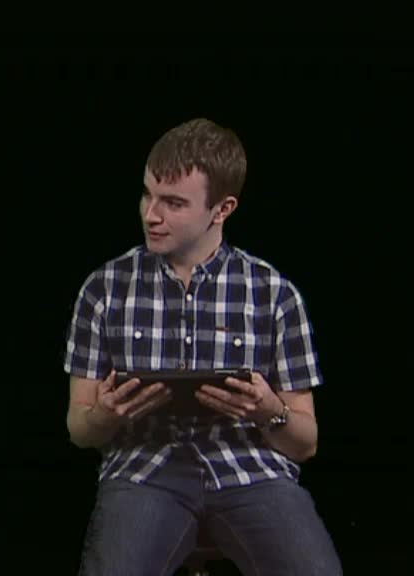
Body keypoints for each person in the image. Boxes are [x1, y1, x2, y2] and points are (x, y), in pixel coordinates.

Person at [63, 118, 342, 576]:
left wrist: (268, 410)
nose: (151, 215)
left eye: (173, 203)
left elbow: (305, 443)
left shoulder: (274, 293)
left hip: (251, 471)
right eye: (147, 194)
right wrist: (104, 417)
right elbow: (79, 429)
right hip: (146, 471)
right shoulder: (105, 289)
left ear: (222, 209)